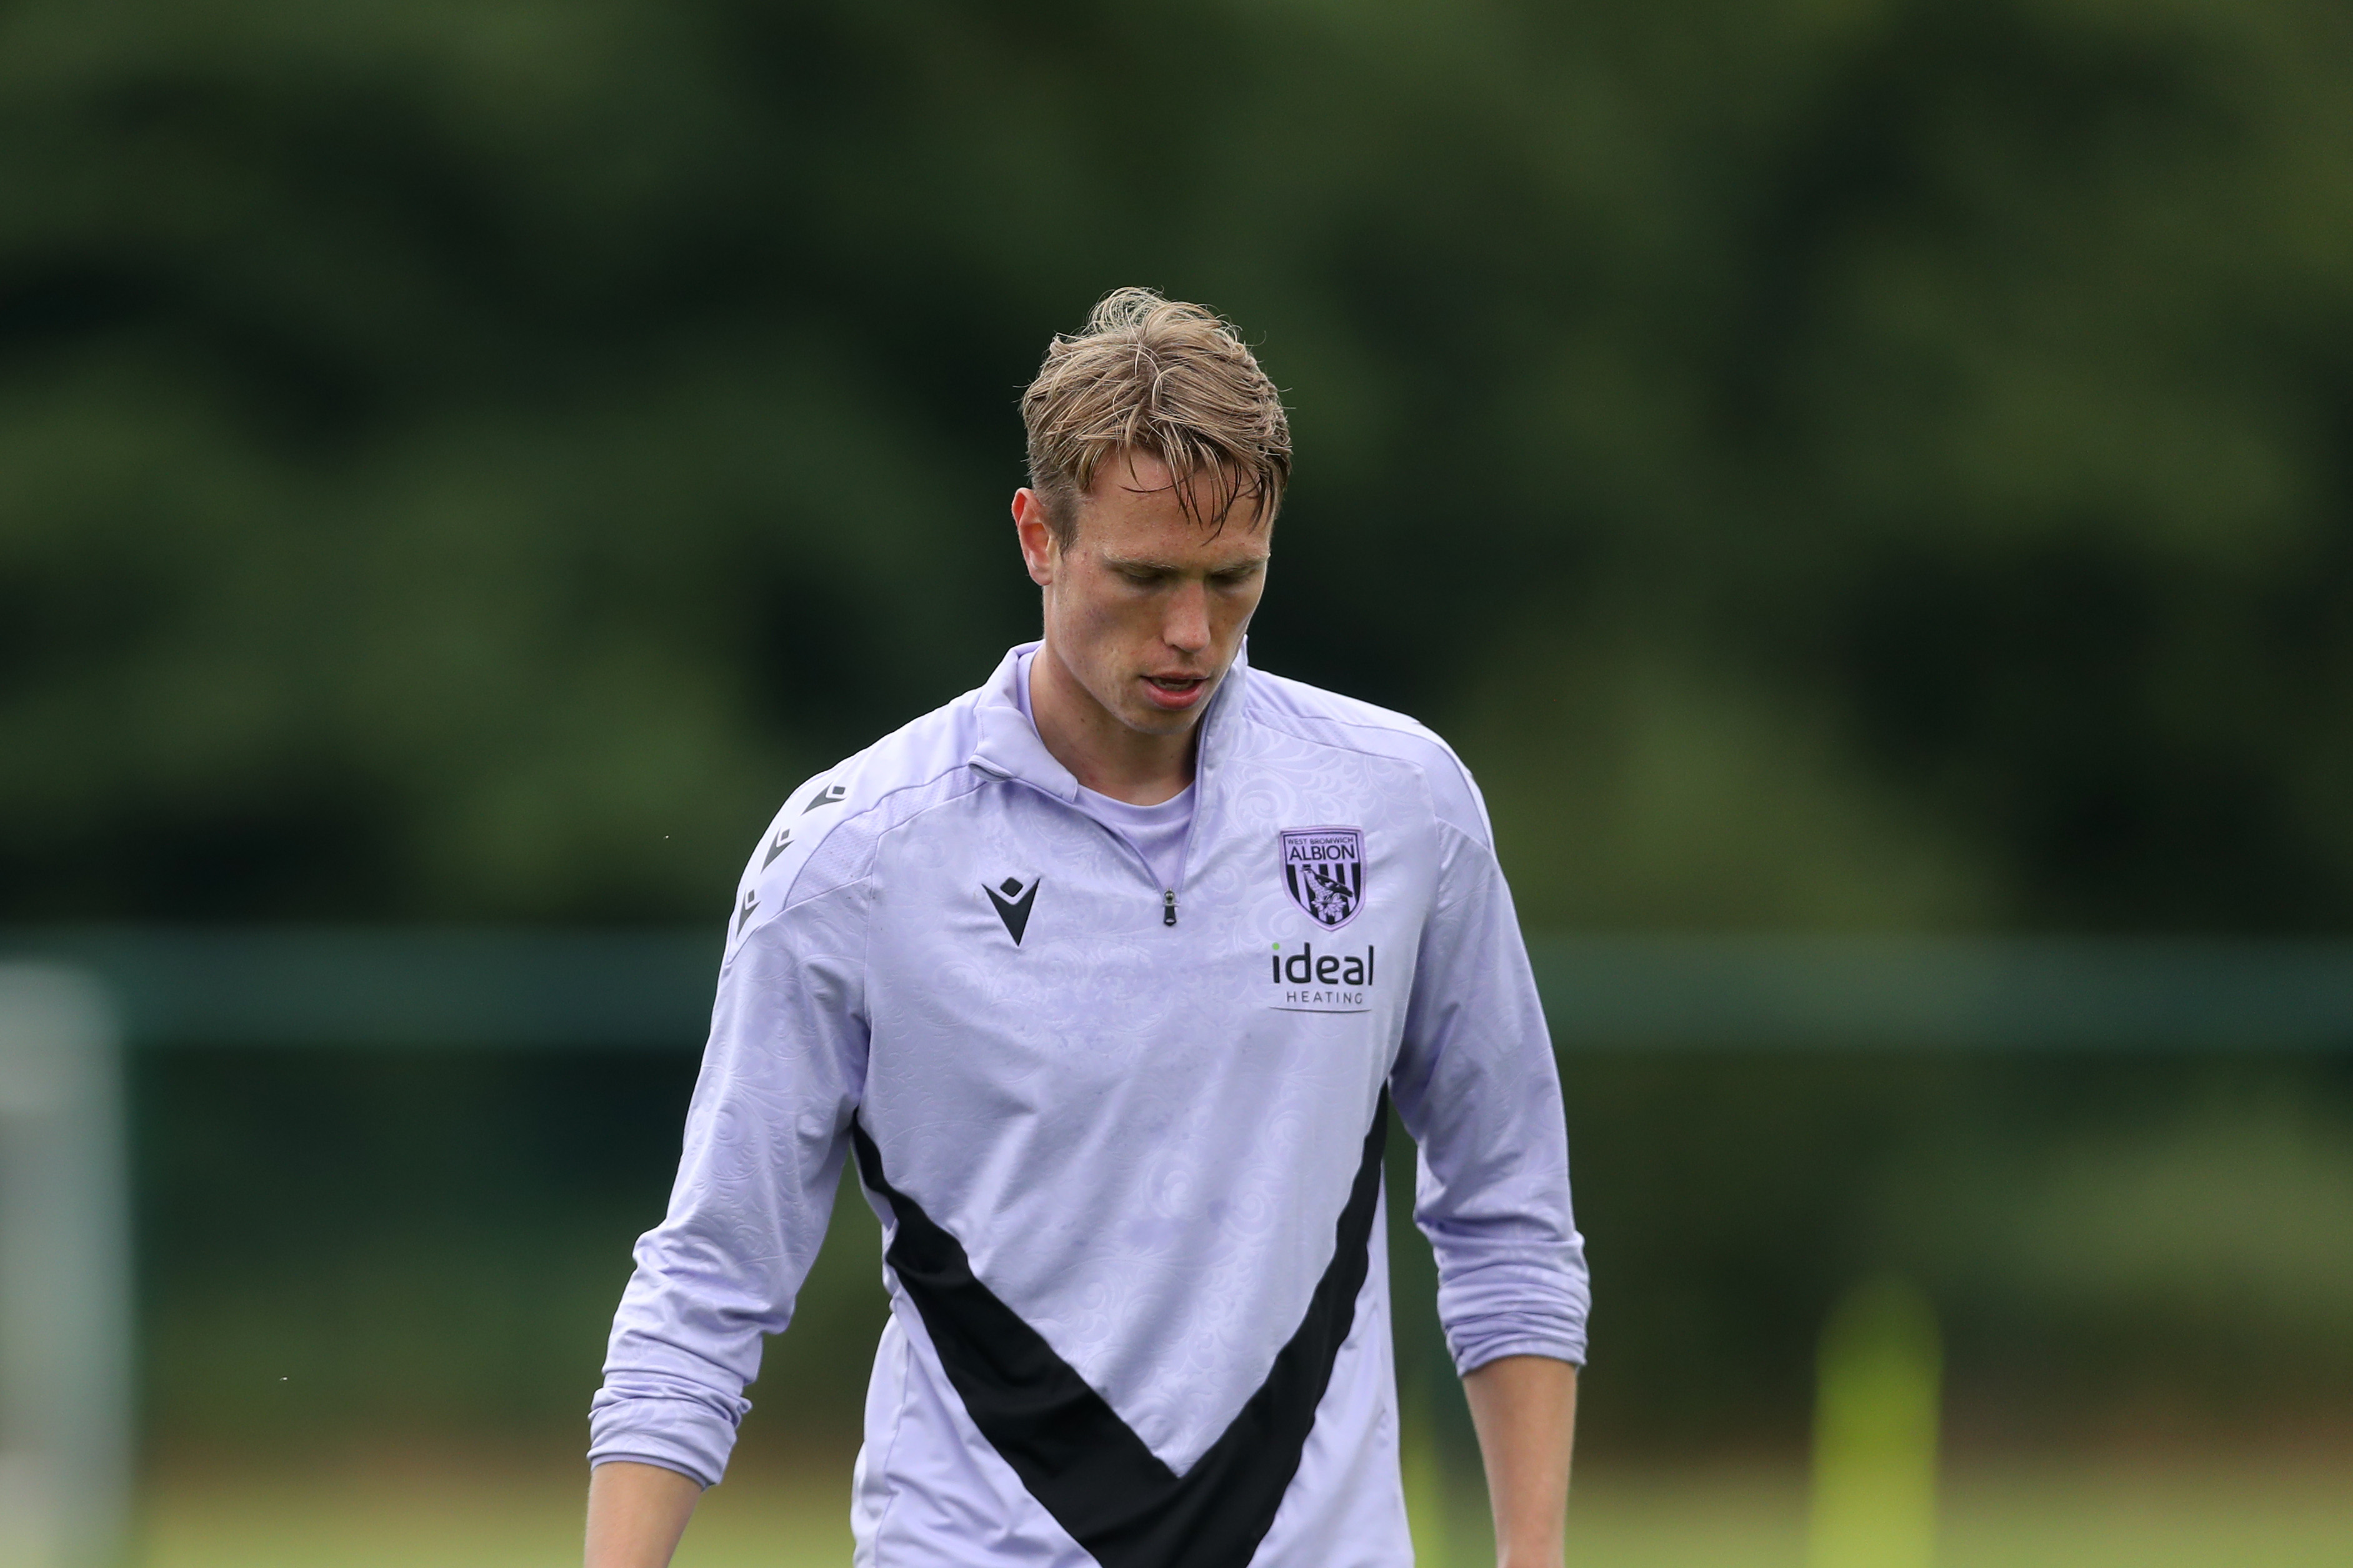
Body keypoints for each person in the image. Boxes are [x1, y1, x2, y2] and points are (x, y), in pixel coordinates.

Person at [583, 289, 1589, 1568]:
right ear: (1036, 538)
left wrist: (1534, 1555)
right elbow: (709, 1279)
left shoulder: (1398, 808)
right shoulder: (854, 857)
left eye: (1234, 580)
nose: (1190, 633)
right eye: (1144, 576)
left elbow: (1507, 1207)